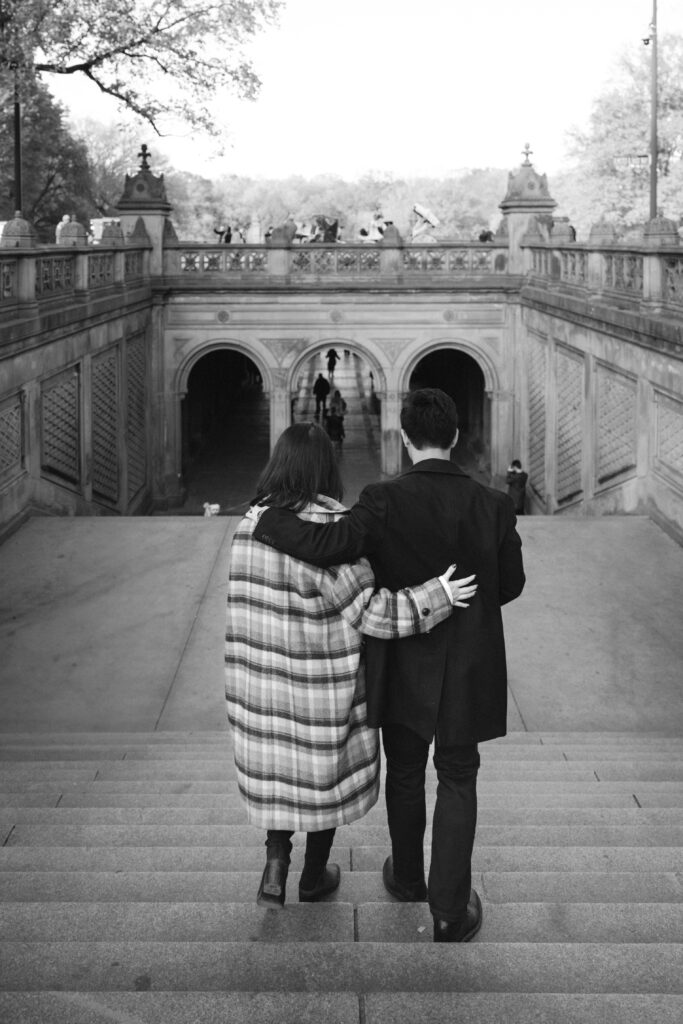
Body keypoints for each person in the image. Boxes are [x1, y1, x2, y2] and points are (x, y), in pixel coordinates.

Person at [253, 388, 525, 941]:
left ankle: (406, 878)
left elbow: (330, 544)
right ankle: (449, 911)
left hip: (401, 663)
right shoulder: (495, 504)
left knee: (405, 771)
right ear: (453, 437)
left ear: (404, 438)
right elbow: (511, 584)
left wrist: (269, 522)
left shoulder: (381, 499)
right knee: (458, 777)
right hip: (469, 668)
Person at [225, 422, 478, 909]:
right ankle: (313, 878)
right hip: (320, 686)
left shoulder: (249, 525)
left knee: (280, 771)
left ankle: (276, 861)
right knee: (322, 780)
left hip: (260, 685)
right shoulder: (332, 532)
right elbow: (372, 613)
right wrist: (437, 595)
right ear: (325, 467)